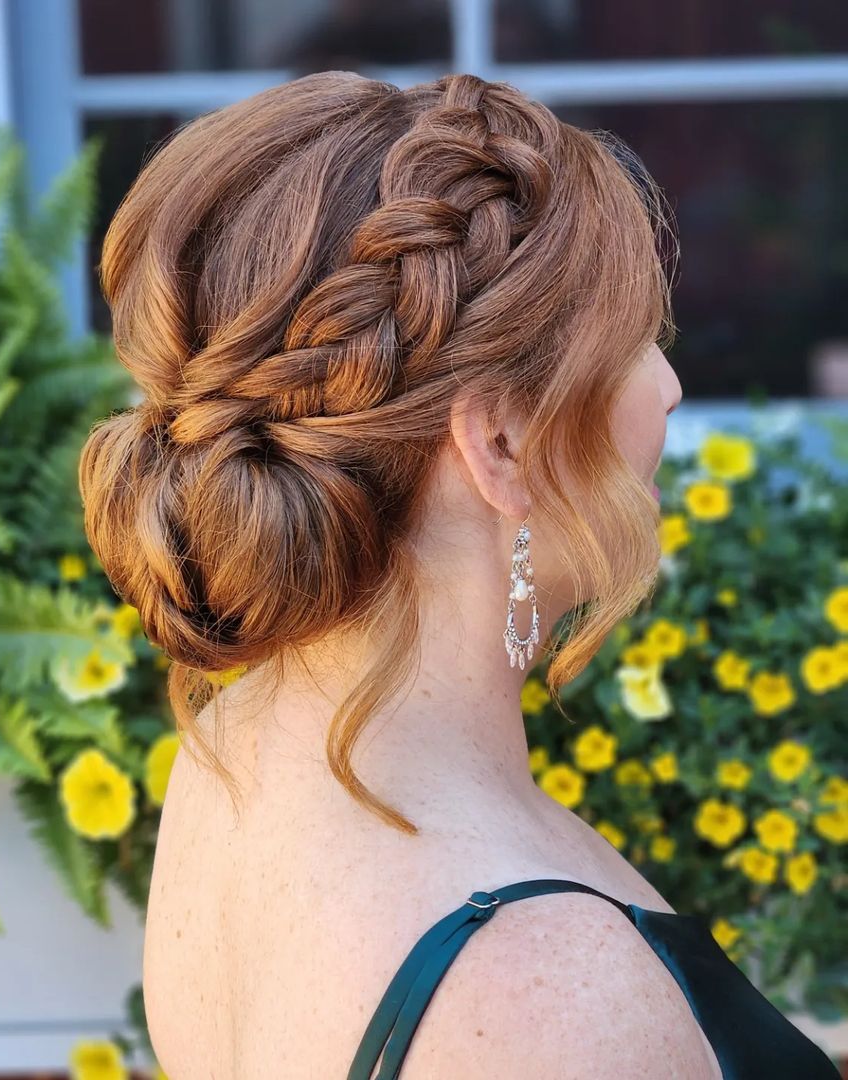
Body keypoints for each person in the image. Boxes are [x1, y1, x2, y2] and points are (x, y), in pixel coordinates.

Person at [78, 71, 839, 1079]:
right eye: (635, 343)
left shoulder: (239, 742)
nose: (669, 388)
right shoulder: (544, 1002)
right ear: (503, 442)